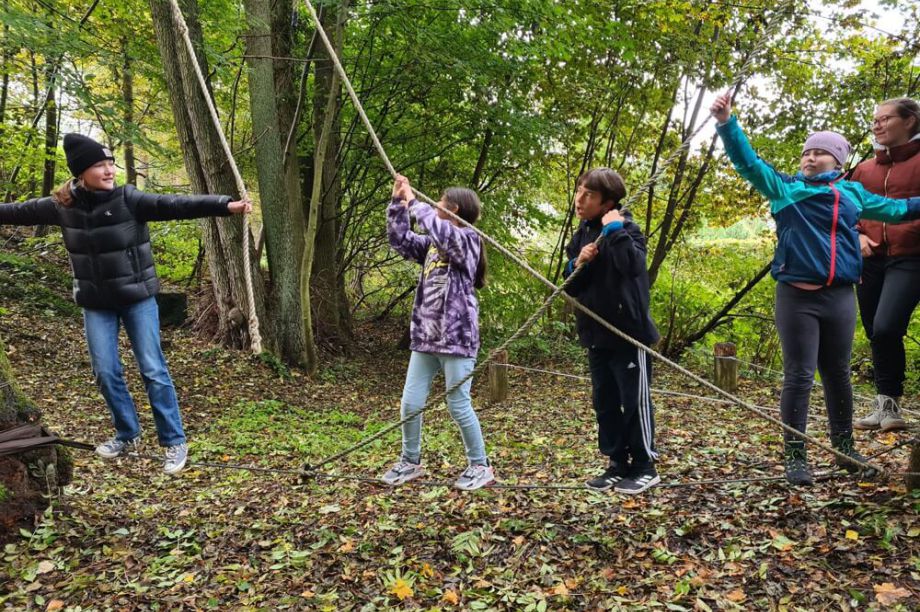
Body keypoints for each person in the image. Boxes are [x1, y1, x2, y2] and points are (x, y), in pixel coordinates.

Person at [0, 133, 251, 474]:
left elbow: (174, 205)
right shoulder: (62, 205)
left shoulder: (128, 199)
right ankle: (127, 434)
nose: (109, 171)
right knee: (105, 371)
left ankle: (174, 441)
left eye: (111, 164)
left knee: (153, 369)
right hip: (96, 304)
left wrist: (224, 205)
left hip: (137, 299)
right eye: (100, 165)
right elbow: (15, 212)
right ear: (80, 172)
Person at [710, 93, 920, 485]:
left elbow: (898, 210)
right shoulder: (784, 189)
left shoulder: (852, 193)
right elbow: (748, 163)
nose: (810, 158)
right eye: (807, 152)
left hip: (839, 296)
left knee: (838, 374)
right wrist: (727, 123)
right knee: (800, 375)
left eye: (820, 152)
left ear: (838, 161)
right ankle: (796, 456)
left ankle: (844, 448)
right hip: (796, 297)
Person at [381, 175, 495, 490]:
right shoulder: (432, 244)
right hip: (426, 338)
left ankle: (480, 465)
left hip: (456, 340)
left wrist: (414, 202)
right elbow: (400, 240)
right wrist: (398, 202)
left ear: (453, 208)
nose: (434, 205)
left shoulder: (468, 239)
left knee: (458, 404)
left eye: (439, 201)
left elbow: (443, 232)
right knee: (410, 403)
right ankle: (410, 461)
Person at [563, 168, 661, 495]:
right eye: (579, 190)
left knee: (634, 402)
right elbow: (571, 286)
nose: (579, 199)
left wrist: (615, 230)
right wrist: (578, 262)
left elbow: (633, 267)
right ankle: (617, 463)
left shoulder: (628, 229)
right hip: (595, 334)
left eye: (588, 194)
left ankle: (644, 466)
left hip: (628, 335)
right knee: (604, 403)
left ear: (608, 203)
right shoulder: (582, 234)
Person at [852, 98, 920, 433]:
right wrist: (857, 236)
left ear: (910, 121)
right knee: (874, 332)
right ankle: (886, 406)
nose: (877, 125)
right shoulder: (864, 169)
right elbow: (844, 211)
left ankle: (890, 402)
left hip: (911, 256)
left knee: (887, 326)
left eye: (885, 118)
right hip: (870, 260)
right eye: (874, 119)